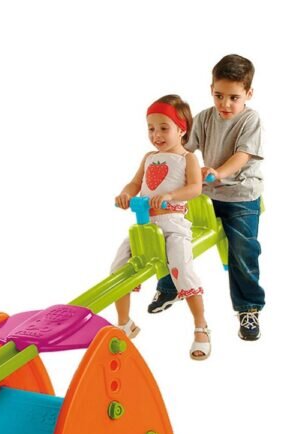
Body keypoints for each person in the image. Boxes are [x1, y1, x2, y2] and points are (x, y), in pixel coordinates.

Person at [149, 55, 264, 341]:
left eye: (234, 97)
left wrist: (217, 172)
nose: (225, 104)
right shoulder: (203, 118)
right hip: (206, 195)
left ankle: (248, 308)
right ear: (211, 89)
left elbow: (243, 155)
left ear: (248, 94)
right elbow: (183, 149)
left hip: (240, 196)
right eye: (219, 95)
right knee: (171, 232)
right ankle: (170, 286)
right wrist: (163, 145)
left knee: (243, 251)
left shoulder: (250, 120)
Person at [111, 95, 210, 360]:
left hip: (173, 224)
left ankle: (201, 327)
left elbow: (195, 188)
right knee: (118, 268)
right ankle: (124, 323)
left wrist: (170, 195)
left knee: (182, 269)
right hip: (145, 225)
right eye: (151, 128)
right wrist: (125, 193)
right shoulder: (149, 157)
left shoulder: (187, 158)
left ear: (182, 129)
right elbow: (135, 183)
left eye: (164, 128)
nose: (156, 135)